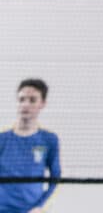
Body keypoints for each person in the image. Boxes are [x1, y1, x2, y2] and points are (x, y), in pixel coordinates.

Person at [0, 78, 60, 213]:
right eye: (22, 99)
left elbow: (56, 178)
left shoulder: (49, 139)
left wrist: (40, 207)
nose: (25, 105)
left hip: (31, 210)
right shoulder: (2, 138)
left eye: (32, 100)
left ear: (42, 104)